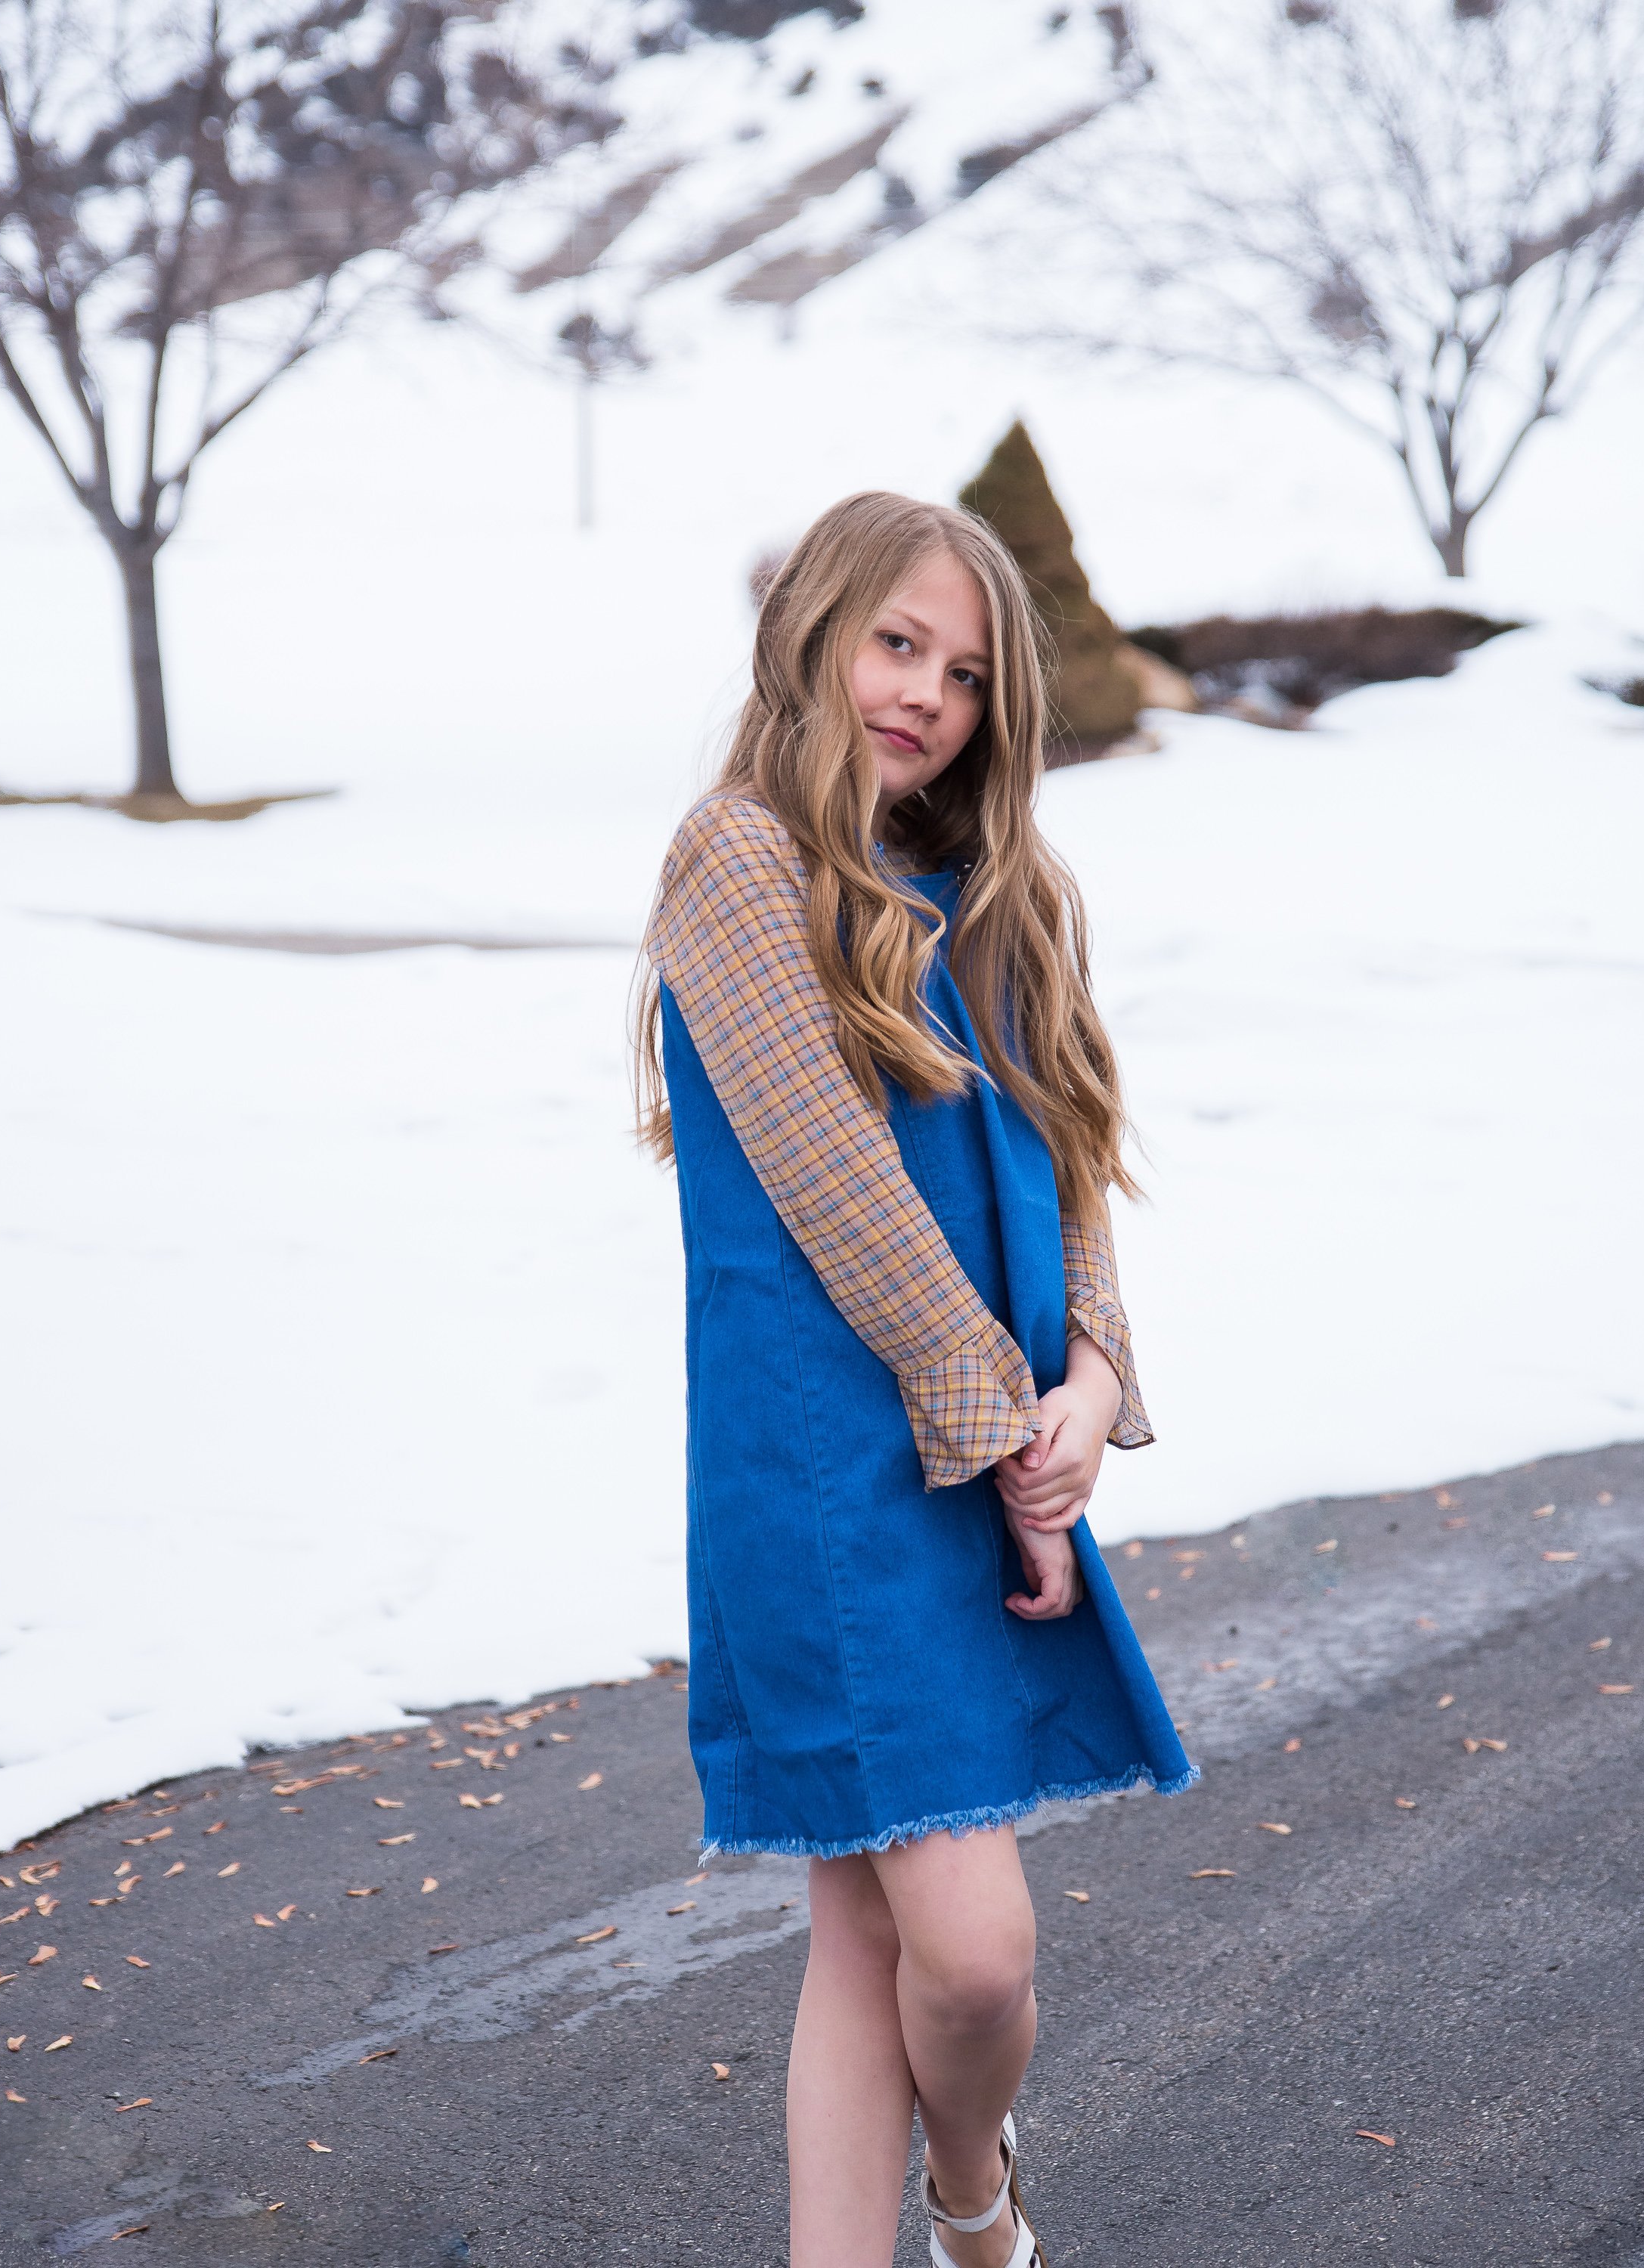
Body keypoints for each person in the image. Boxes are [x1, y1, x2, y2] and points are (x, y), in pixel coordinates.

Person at [635, 491, 1194, 2268]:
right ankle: (975, 2200)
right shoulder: (736, 861)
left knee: (874, 1940)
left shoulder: (1007, 890)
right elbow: (838, 1187)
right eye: (898, 645)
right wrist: (1010, 1441)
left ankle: (931, 2213)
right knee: (967, 1945)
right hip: (828, 1476)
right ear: (812, 631)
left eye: (964, 672)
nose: (928, 696)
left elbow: (1077, 1156)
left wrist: (1095, 1378)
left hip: (1000, 1432)